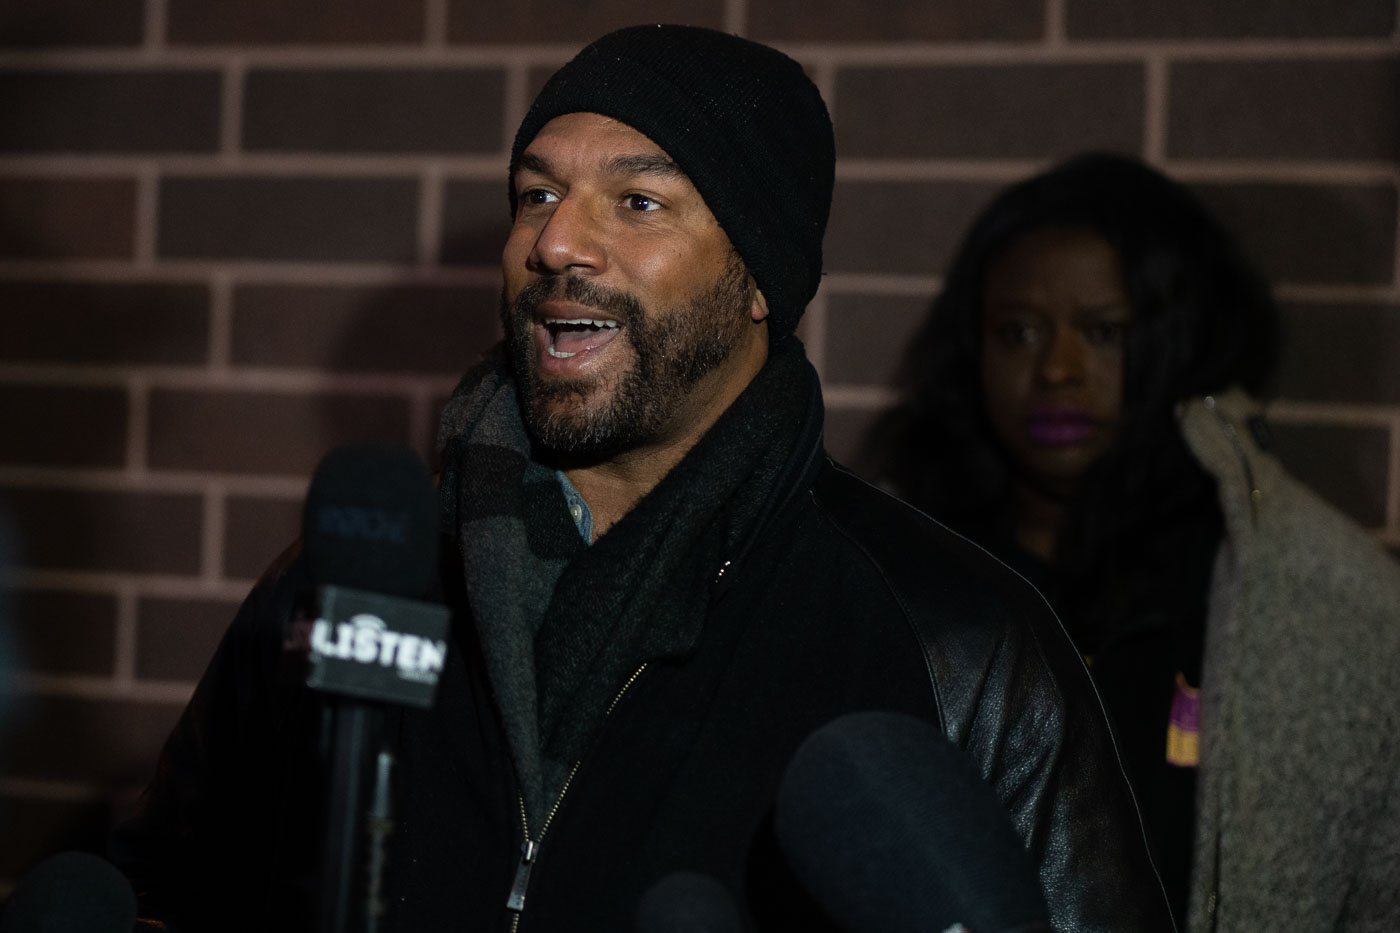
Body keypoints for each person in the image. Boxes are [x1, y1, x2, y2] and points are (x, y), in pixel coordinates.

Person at [109, 29, 1173, 932]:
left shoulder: (955, 647)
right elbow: (167, 892)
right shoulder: (346, 592)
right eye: (537, 193)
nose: (555, 242)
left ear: (758, 279)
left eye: (639, 202)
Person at [863, 152, 1400, 932]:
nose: (1057, 368)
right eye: (1018, 331)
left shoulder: (1289, 592)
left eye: (1105, 332)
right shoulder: (901, 565)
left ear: (1181, 342)